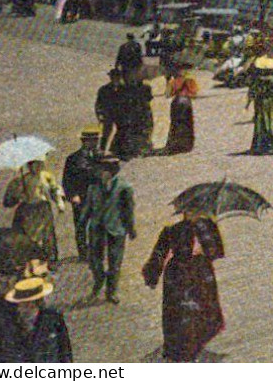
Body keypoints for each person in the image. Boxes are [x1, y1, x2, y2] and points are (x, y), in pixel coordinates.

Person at [141, 212, 226, 361]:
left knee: (205, 310)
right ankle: (179, 351)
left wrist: (209, 234)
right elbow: (159, 253)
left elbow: (217, 252)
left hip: (200, 273)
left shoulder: (208, 228)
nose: (192, 214)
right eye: (189, 211)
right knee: (179, 314)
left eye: (196, 211)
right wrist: (152, 275)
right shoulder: (173, 230)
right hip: (178, 275)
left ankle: (196, 346)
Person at [0, 276, 72, 363]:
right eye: (24, 303)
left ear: (39, 302)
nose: (28, 306)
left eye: (33, 303)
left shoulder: (53, 320)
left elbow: (65, 355)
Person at [82, 155, 135, 304]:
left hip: (116, 229)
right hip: (96, 228)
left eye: (103, 170)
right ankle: (99, 279)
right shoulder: (93, 187)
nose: (99, 173)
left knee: (115, 263)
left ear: (112, 171)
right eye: (99, 170)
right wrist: (82, 222)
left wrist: (131, 229)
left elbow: (128, 211)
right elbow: (87, 207)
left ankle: (111, 292)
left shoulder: (125, 188)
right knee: (94, 260)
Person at [2, 160, 65, 267]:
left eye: (38, 164)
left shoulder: (47, 177)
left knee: (46, 234)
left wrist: (59, 202)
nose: (35, 167)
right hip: (27, 210)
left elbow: (54, 190)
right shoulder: (21, 180)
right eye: (32, 164)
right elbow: (8, 201)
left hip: (42, 209)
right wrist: (18, 195)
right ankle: (26, 260)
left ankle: (49, 260)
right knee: (25, 235)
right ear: (28, 165)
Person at [62, 129, 103, 261]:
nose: (96, 143)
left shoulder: (101, 157)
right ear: (85, 141)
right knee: (81, 226)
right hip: (81, 197)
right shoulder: (73, 159)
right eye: (93, 140)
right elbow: (66, 180)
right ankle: (83, 253)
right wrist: (72, 195)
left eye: (97, 140)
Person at [245, 58, 273, 156]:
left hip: (260, 103)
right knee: (272, 123)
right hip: (271, 103)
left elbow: (252, 93)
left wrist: (248, 104)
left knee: (260, 123)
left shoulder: (257, 80)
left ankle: (260, 145)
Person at [116, 70, 155, 160]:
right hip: (134, 111)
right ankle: (134, 148)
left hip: (141, 111)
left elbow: (148, 98)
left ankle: (141, 147)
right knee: (132, 129)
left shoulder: (145, 87)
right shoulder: (125, 88)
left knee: (143, 128)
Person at [164, 63, 199, 155]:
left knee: (176, 123)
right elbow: (195, 93)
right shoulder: (190, 80)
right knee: (187, 123)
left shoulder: (173, 81)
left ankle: (175, 144)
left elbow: (167, 94)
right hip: (186, 102)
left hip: (176, 102)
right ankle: (186, 145)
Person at [95, 68, 125, 154]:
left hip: (120, 115)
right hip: (108, 114)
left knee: (121, 131)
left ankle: (116, 149)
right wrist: (99, 115)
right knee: (106, 132)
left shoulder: (124, 89)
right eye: (113, 77)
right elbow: (98, 104)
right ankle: (102, 149)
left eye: (117, 77)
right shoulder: (104, 89)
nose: (116, 79)